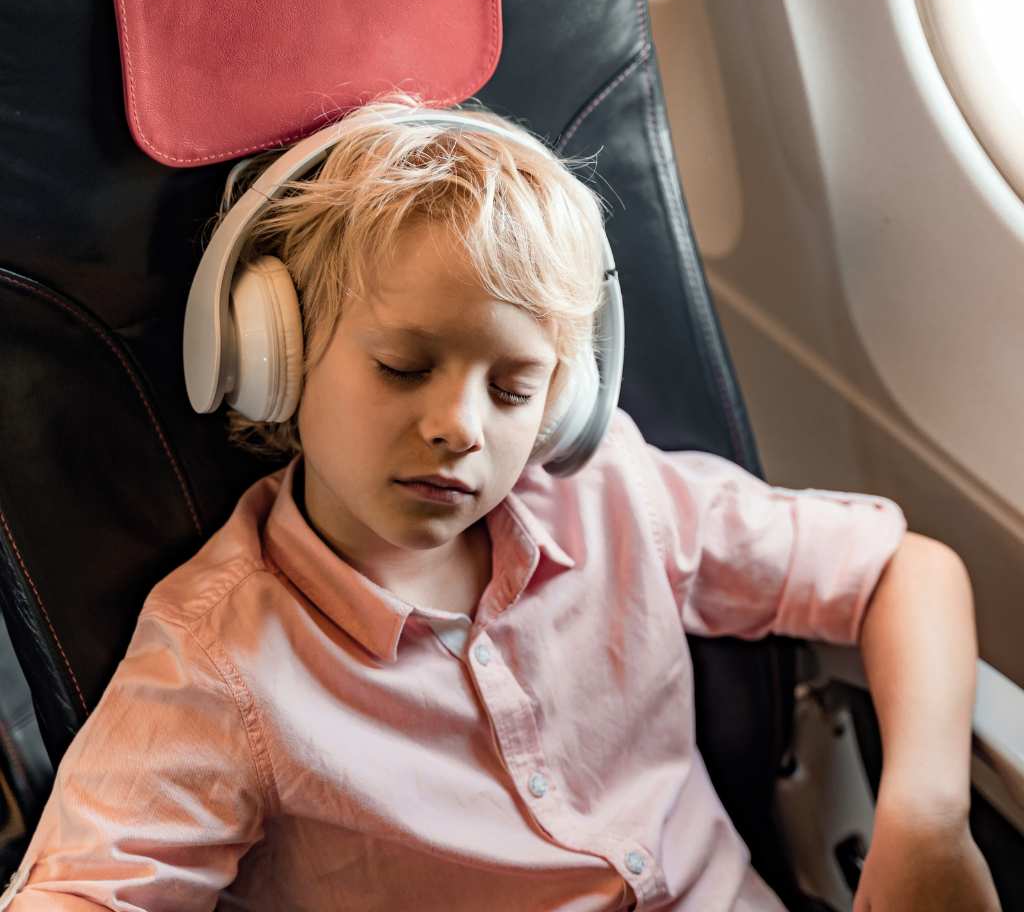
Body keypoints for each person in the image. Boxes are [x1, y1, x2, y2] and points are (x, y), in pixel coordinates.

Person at [1, 94, 1000, 911]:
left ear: (563, 401)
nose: (459, 427)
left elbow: (899, 572)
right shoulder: (220, 663)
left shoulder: (608, 496)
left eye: (514, 390)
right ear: (277, 359)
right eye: (403, 367)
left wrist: (924, 819)